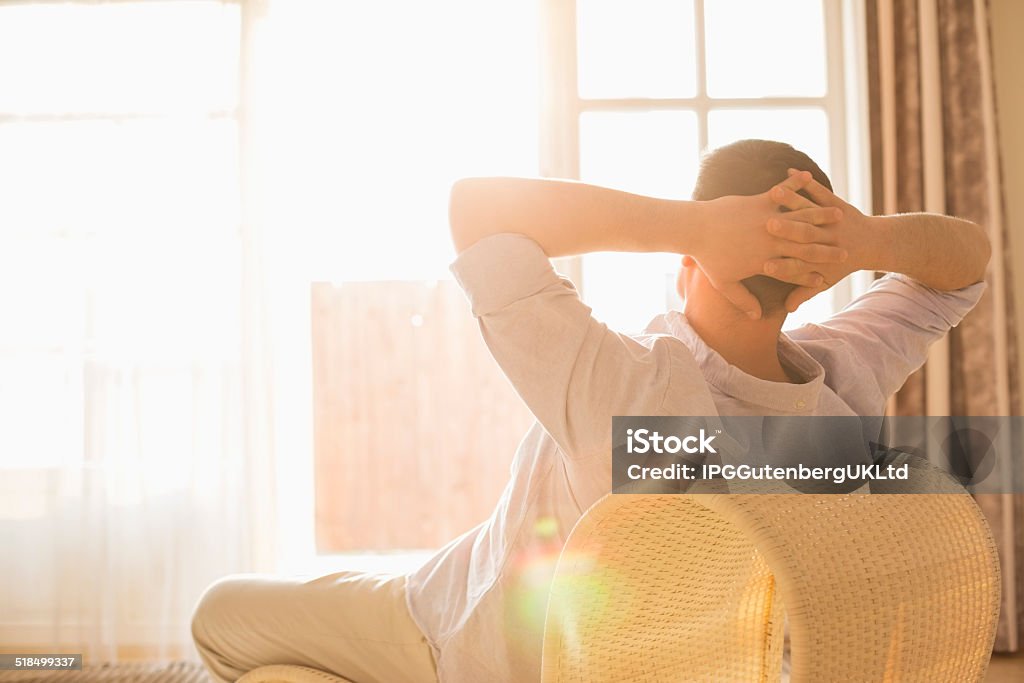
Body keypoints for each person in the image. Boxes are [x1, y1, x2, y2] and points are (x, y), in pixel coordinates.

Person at [191, 139, 990, 683]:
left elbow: (476, 207)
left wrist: (699, 225)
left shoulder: (631, 386)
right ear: (814, 277)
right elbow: (965, 265)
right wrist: (855, 239)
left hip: (450, 634)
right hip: (579, 629)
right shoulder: (839, 380)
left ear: (691, 266)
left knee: (221, 617)